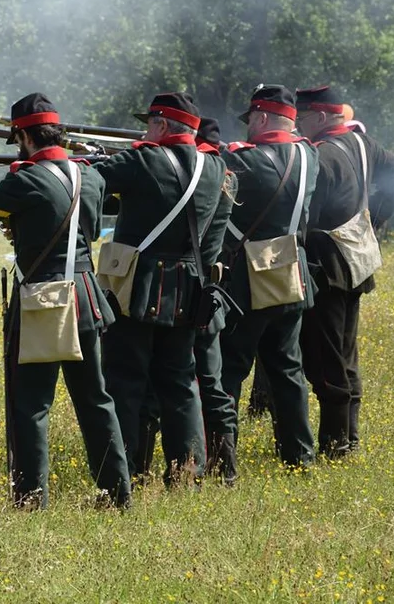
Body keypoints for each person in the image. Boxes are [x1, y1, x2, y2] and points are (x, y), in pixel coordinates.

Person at [0, 92, 131, 509]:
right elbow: (89, 231)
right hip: (85, 296)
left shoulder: (24, 180)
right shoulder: (92, 177)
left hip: (43, 299)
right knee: (96, 400)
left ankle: (29, 500)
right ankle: (117, 495)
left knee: (30, 404)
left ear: (24, 136)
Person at [94, 93, 233, 485]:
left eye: (149, 124)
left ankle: (126, 472)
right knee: (181, 383)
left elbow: (89, 181)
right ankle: (188, 472)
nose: (145, 131)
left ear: (161, 125)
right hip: (188, 288)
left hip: (137, 286)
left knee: (125, 380)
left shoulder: (142, 161)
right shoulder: (215, 167)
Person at [295, 86, 394, 456]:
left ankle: (337, 444)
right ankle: (350, 438)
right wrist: (372, 219)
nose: (299, 122)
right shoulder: (365, 144)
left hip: (325, 264)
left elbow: (303, 213)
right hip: (355, 258)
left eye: (303, 116)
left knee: (326, 357)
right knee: (345, 352)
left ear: (320, 115)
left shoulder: (322, 155)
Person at [130, 115, 241, 485]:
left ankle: (140, 470)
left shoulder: (190, 173)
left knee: (170, 385)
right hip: (201, 294)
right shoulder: (221, 175)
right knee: (197, 385)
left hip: (175, 294)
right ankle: (212, 471)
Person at [219, 85, 319, 469]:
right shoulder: (310, 155)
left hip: (249, 279)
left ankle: (223, 462)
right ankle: (300, 456)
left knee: (229, 370)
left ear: (260, 118)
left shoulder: (244, 160)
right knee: (288, 370)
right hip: (292, 273)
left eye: (251, 120)